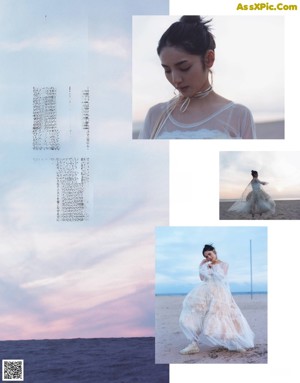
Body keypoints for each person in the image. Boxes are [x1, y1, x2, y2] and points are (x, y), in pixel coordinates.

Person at [138, 16, 256, 139]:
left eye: (184, 67)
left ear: (209, 59)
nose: (175, 79)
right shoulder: (156, 115)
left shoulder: (238, 115)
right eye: (167, 70)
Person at [179, 244, 254, 354]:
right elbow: (202, 278)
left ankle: (233, 343)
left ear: (215, 252)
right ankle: (193, 344)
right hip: (205, 291)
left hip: (219, 293)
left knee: (224, 317)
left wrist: (212, 269)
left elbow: (222, 277)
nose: (208, 257)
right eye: (206, 256)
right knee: (198, 316)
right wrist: (201, 265)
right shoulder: (206, 265)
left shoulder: (224, 264)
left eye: (209, 254)